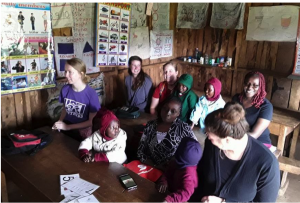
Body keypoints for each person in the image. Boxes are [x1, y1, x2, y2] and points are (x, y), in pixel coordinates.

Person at [189, 102, 280, 203]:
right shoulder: (212, 146)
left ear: (227, 140)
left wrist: (223, 202)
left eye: (210, 136)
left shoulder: (267, 164)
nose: (208, 138)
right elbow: (201, 178)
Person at [137, 96, 197, 169]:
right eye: (165, 108)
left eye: (173, 111)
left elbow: (194, 152)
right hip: (149, 169)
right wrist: (153, 166)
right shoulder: (151, 125)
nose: (168, 113)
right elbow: (141, 151)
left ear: (178, 113)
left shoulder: (184, 129)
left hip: (171, 173)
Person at [52, 58, 101, 141]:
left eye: (70, 72)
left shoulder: (91, 94)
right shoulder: (65, 89)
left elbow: (91, 122)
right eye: (65, 71)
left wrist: (67, 127)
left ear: (80, 74)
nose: (66, 75)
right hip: (67, 125)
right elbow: (65, 108)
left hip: (82, 130)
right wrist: (60, 122)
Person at [232, 71, 273, 145]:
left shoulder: (266, 106)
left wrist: (232, 138)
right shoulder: (236, 99)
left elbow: (254, 135)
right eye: (247, 84)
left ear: (260, 87)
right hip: (236, 138)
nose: (249, 88)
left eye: (255, 85)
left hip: (259, 142)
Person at [156, 137, 202, 203]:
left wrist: (169, 200)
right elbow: (167, 172)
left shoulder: (189, 174)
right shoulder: (177, 162)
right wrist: (163, 181)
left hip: (181, 200)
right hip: (171, 192)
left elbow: (186, 193)